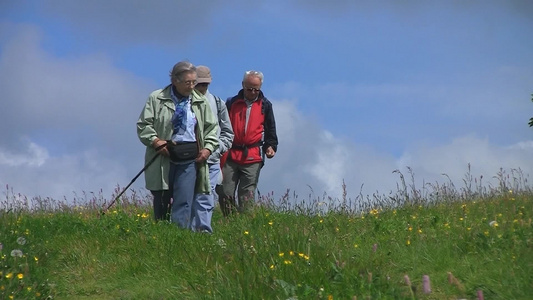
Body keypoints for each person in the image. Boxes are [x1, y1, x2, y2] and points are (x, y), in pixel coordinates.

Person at [137, 61, 219, 231]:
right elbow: (144, 125)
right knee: (161, 199)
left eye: (193, 82)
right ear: (175, 81)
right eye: (187, 82)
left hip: (190, 157)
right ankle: (161, 234)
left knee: (184, 199)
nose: (191, 86)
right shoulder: (157, 98)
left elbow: (212, 129)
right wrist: (156, 141)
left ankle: (179, 235)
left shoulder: (200, 101)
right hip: (162, 155)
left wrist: (207, 148)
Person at [219, 70, 278, 216]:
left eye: (256, 89)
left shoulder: (266, 105)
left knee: (247, 194)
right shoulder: (231, 103)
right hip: (230, 154)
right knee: (224, 190)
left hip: (253, 155)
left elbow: (270, 130)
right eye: (249, 88)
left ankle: (245, 223)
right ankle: (230, 220)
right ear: (243, 85)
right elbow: (221, 127)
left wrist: (271, 147)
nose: (252, 92)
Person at [192, 65, 234, 231]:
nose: (202, 88)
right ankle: (189, 231)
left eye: (205, 84)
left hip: (212, 160)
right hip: (190, 159)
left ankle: (203, 232)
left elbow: (228, 133)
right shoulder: (184, 102)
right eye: (199, 84)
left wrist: (217, 149)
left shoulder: (218, 103)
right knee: (189, 196)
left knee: (207, 196)